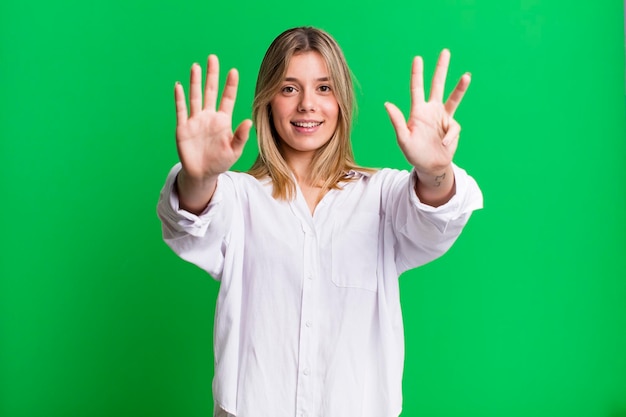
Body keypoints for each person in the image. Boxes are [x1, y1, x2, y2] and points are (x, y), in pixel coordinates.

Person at [157, 26, 482, 417]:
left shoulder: (381, 195)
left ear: (342, 101)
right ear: (268, 102)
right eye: (289, 88)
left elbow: (436, 218)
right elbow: (190, 219)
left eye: (324, 88)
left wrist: (435, 172)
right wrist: (200, 177)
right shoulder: (239, 196)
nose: (307, 104)